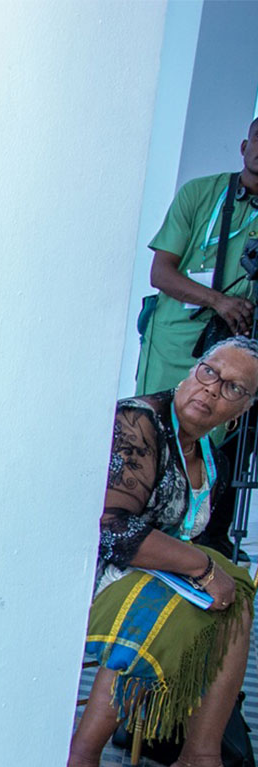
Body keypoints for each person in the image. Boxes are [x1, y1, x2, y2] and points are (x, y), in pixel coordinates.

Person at [64, 337, 258, 767]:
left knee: (237, 595)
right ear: (194, 369)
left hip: (148, 573)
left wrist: (211, 573)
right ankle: (79, 762)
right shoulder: (140, 422)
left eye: (232, 387)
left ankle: (201, 761)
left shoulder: (208, 454)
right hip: (83, 570)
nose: (211, 389)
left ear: (244, 410)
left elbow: (199, 537)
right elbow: (113, 530)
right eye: (209, 371)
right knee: (163, 605)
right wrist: (202, 569)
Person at [136, 119, 258, 557]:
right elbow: (161, 273)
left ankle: (205, 542)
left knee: (224, 444)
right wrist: (219, 301)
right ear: (244, 145)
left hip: (238, 349)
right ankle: (144, 533)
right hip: (176, 342)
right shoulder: (200, 194)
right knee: (159, 432)